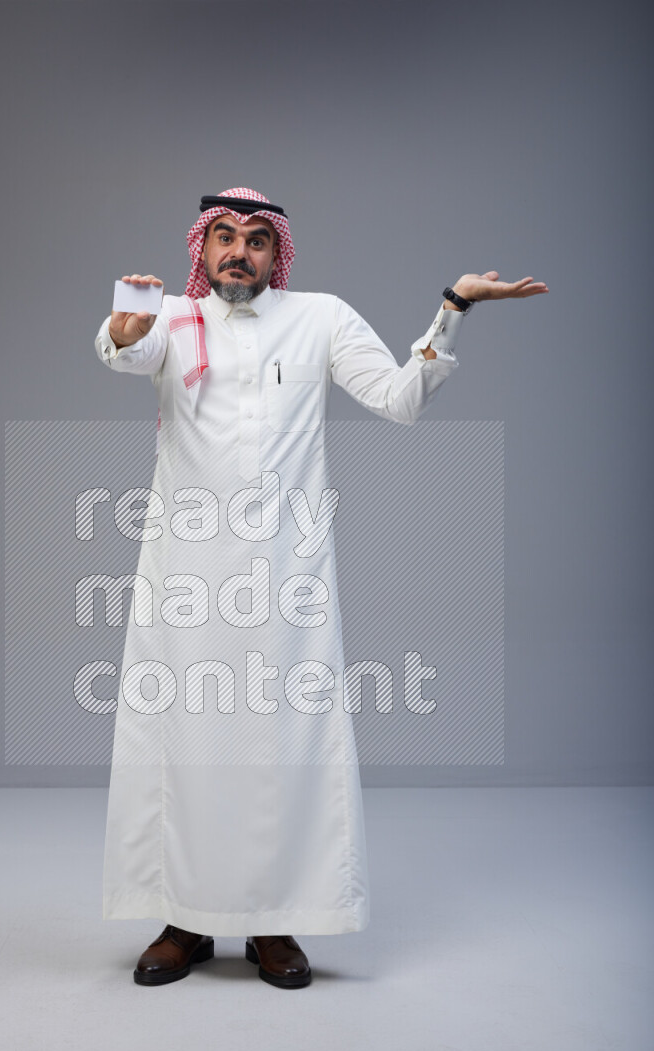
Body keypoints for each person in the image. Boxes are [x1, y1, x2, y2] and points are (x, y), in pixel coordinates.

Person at [94, 186, 548, 990]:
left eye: (257, 240)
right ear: (200, 250)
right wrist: (120, 332)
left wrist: (453, 310)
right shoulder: (172, 320)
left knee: (281, 746)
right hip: (185, 576)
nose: (239, 251)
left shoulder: (322, 318)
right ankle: (185, 920)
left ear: (279, 254)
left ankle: (271, 923)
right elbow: (125, 352)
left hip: (285, 577)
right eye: (224, 237)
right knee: (185, 740)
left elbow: (400, 401)